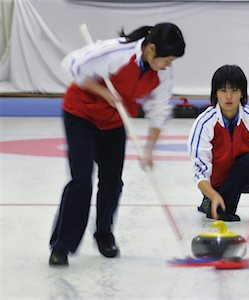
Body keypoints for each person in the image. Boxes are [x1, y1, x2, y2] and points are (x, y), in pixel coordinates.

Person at [49, 23, 185, 266]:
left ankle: (104, 234)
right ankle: (62, 245)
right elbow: (73, 65)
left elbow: (159, 109)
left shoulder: (162, 73)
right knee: (81, 180)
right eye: (167, 59)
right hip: (81, 115)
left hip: (113, 122)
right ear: (151, 49)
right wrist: (103, 92)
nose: (168, 65)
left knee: (112, 181)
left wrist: (149, 149)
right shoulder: (116, 53)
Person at [187, 65, 249, 222]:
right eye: (223, 91)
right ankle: (214, 202)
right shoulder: (204, 123)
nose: (229, 96)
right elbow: (200, 170)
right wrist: (212, 193)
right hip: (215, 181)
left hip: (247, 177)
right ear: (215, 93)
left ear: (242, 93)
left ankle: (219, 206)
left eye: (234, 90)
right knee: (215, 196)